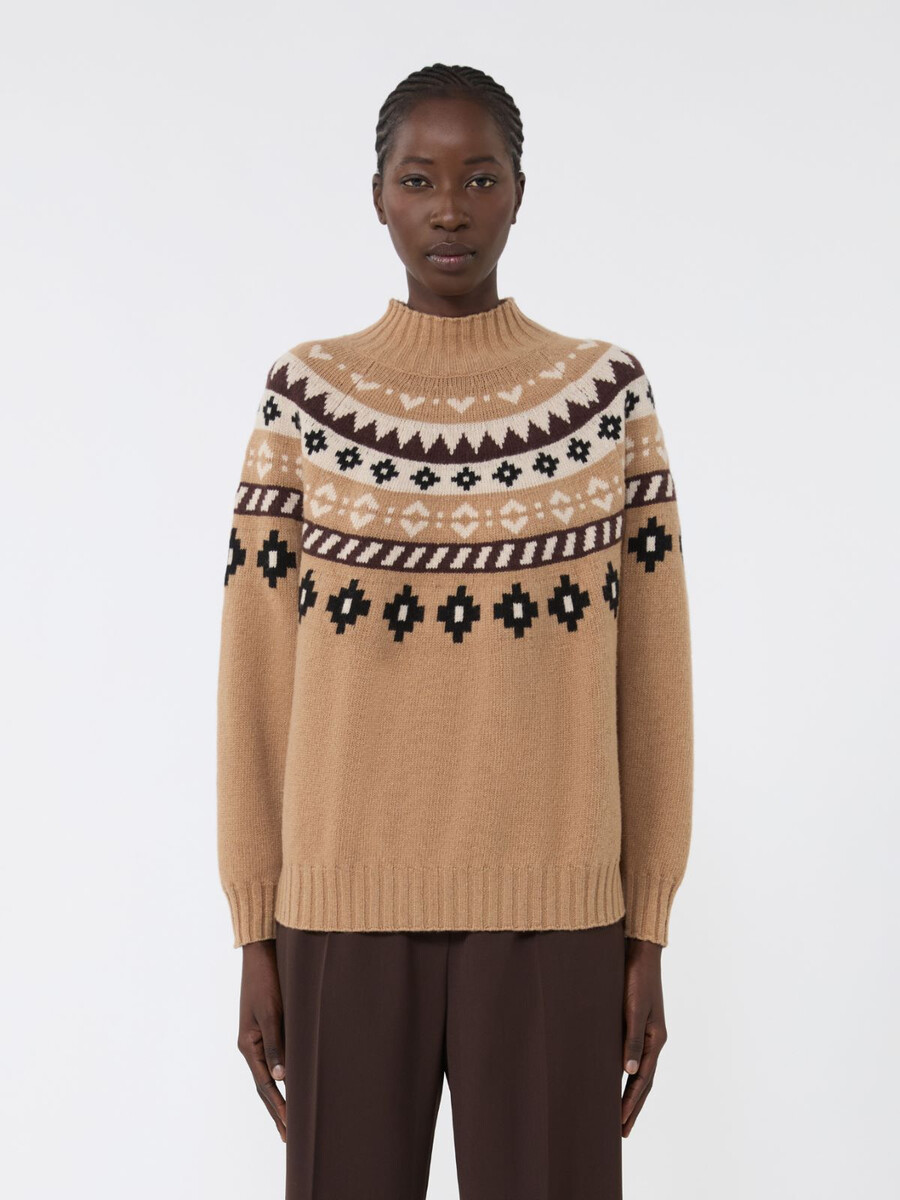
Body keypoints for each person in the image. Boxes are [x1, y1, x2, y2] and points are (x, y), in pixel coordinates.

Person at [216, 62, 694, 1200]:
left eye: (480, 178)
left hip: (557, 910)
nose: (448, 208)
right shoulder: (305, 399)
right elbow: (255, 677)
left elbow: (654, 677)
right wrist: (253, 927)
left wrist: (647, 929)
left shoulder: (604, 399)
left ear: (520, 194)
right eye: (419, 179)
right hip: (338, 908)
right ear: (377, 196)